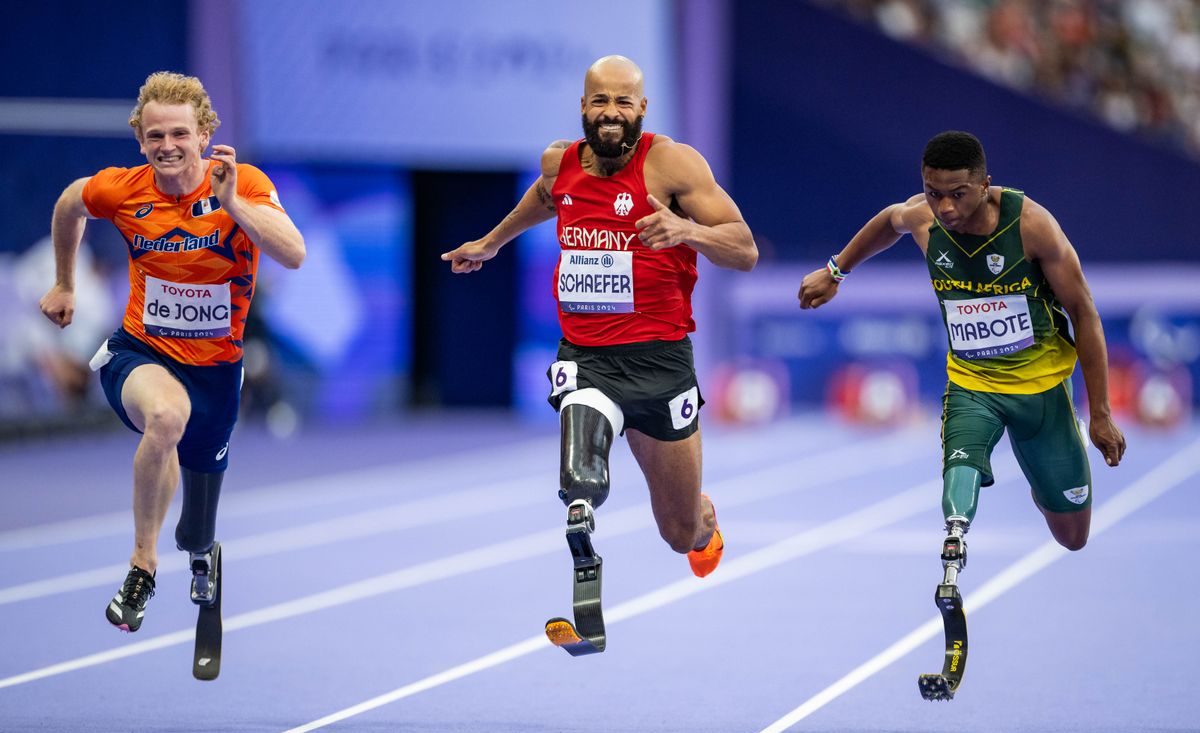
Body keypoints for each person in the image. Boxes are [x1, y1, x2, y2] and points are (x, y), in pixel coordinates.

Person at [442, 55, 757, 611]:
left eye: (623, 102)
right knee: (582, 445)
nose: (611, 113)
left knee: (680, 533)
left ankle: (702, 517)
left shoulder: (674, 166)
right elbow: (544, 198)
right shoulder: (558, 163)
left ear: (642, 108)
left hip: (661, 362)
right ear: (584, 106)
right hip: (588, 354)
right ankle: (582, 511)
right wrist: (491, 243)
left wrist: (685, 229)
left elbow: (745, 250)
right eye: (600, 101)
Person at [39, 71, 305, 632]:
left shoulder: (243, 182)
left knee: (197, 527)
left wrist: (232, 203)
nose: (167, 147)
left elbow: (294, 253)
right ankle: (142, 565)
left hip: (216, 370)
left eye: (179, 134)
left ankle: (201, 550)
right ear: (140, 139)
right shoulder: (123, 188)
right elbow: (70, 204)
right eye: (155, 135)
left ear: (204, 133)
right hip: (141, 351)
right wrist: (65, 282)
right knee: (165, 417)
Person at [800, 130, 1125, 574]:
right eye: (934, 193)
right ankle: (956, 531)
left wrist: (1102, 411)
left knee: (1073, 537)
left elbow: (1085, 314)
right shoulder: (924, 218)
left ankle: (1044, 471)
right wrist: (836, 271)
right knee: (961, 465)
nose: (946, 207)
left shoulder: (1032, 226)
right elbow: (888, 221)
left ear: (985, 184)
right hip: (973, 384)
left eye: (958, 194)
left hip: (1042, 388)